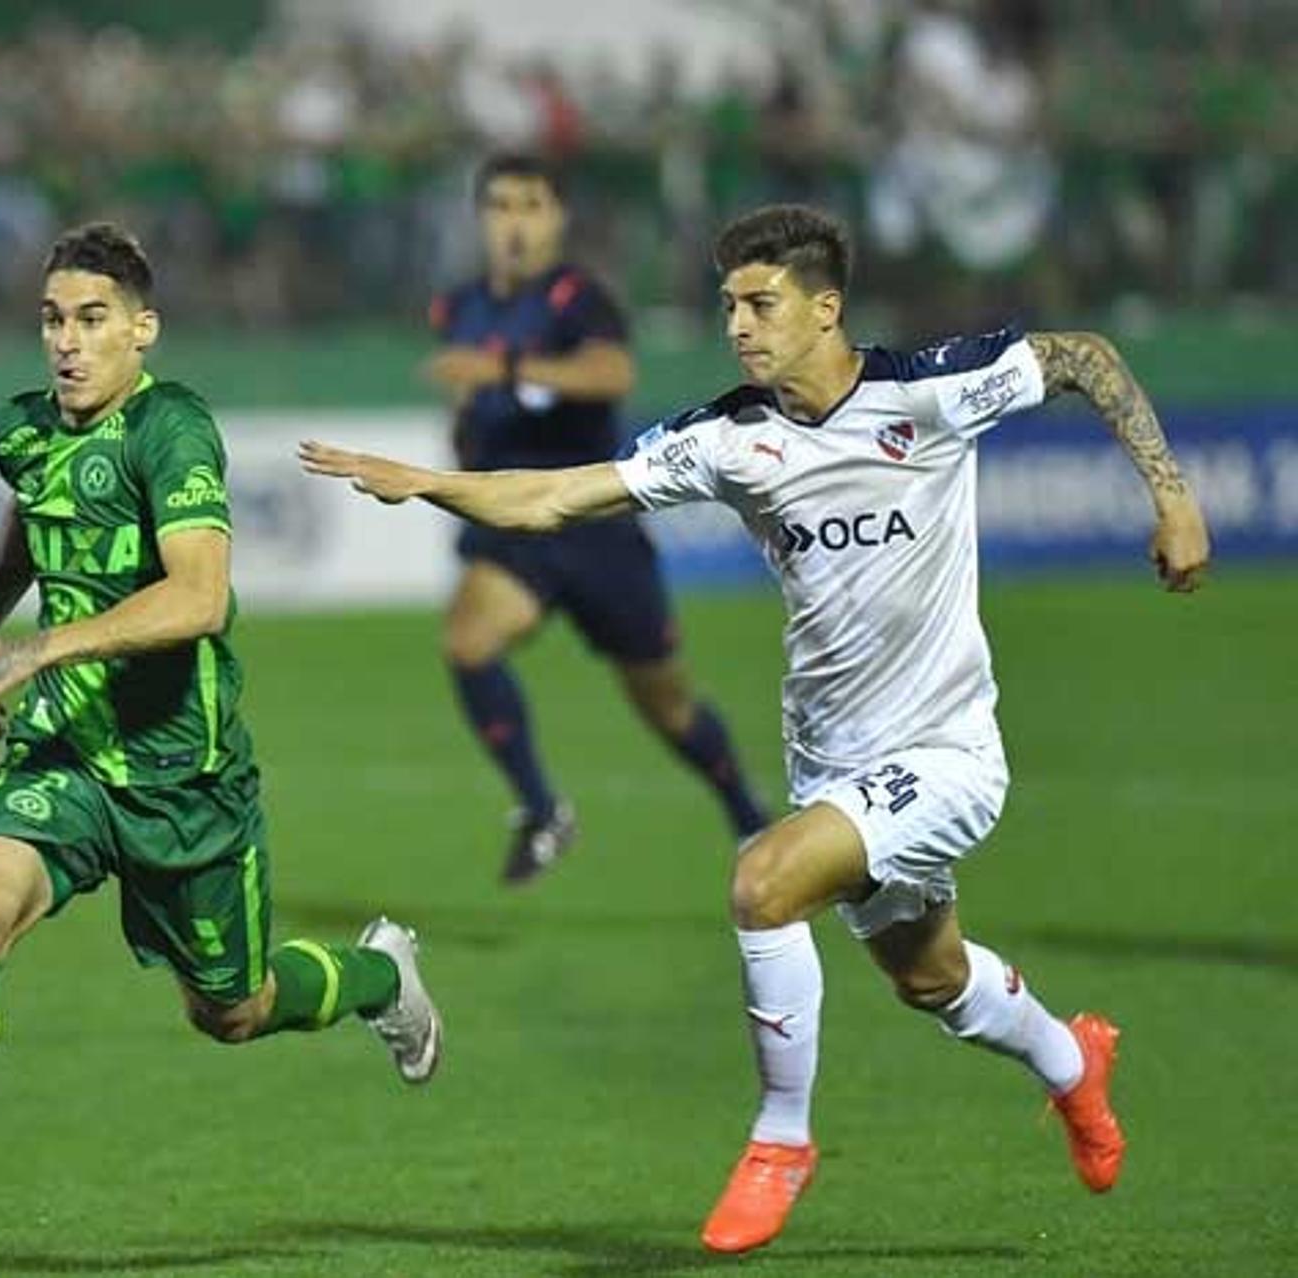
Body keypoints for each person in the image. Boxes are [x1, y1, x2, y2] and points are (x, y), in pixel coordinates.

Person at [302, 203, 1209, 1254]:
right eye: (728, 301)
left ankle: (782, 1138)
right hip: (835, 763)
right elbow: (558, 497)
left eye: (760, 301)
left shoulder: (933, 390)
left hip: (950, 756)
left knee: (763, 882)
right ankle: (1072, 1065)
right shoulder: (731, 437)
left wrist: (1174, 498)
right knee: (931, 978)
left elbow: (1084, 357)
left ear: (827, 309)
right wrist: (428, 486)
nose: (736, 321)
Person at [0, 224, 442, 1261]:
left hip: (180, 778)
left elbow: (199, 597)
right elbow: (33, 514)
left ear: (142, 331)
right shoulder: (20, 428)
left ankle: (381, 980)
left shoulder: (173, 431)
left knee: (232, 1011)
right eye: (53, 321)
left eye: (93, 321)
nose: (67, 342)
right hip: (67, 758)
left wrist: (36, 650)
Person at [426, 153, 769, 885]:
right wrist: (470, 425)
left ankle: (749, 819)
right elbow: (471, 398)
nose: (515, 223)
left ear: (558, 218)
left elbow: (613, 374)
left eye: (531, 205)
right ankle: (542, 808)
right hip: (518, 524)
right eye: (501, 206)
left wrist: (508, 372)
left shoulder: (580, 298)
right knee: (468, 639)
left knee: (668, 707)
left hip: (595, 522)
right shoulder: (458, 306)